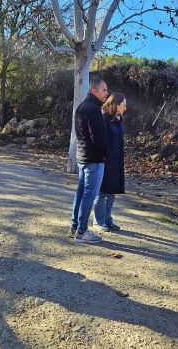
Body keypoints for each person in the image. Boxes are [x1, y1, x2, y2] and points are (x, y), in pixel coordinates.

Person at [70, 77, 109, 244]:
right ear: (93, 90)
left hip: (83, 157)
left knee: (81, 193)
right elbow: (97, 138)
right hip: (93, 159)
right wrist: (106, 153)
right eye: (104, 90)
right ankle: (82, 231)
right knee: (89, 195)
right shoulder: (93, 109)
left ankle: (75, 227)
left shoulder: (82, 107)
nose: (107, 94)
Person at [93, 93, 127, 232]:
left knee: (111, 192)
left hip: (116, 161)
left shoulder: (118, 119)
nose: (126, 107)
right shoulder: (104, 119)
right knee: (101, 192)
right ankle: (98, 221)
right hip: (105, 161)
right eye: (124, 104)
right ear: (116, 105)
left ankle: (108, 219)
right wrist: (104, 158)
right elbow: (101, 140)